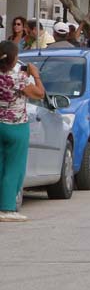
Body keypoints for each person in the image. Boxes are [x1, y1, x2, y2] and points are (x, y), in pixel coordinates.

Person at [0, 41, 45, 222]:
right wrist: (35, 75)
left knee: (1, 165)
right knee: (14, 169)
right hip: (16, 126)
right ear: (13, 59)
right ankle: (7, 208)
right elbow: (39, 94)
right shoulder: (19, 78)